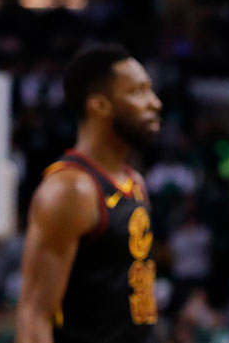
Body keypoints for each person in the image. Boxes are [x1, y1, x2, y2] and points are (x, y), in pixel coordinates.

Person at [17, 45, 162, 343]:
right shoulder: (71, 189)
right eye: (138, 92)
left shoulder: (134, 182)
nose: (154, 103)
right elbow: (34, 316)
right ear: (100, 106)